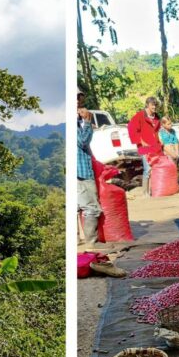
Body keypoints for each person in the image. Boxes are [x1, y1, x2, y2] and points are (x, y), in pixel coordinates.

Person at [77, 97, 102, 247]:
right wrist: (87, 122)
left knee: (76, 207)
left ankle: (77, 243)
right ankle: (91, 243)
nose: (80, 103)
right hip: (81, 170)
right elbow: (83, 141)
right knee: (92, 208)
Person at [127, 97, 162, 196]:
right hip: (145, 147)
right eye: (152, 105)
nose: (154, 107)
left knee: (155, 168)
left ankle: (154, 189)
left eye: (155, 105)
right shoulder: (140, 115)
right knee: (147, 169)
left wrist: (160, 141)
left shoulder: (156, 117)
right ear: (147, 105)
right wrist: (140, 141)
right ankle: (145, 192)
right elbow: (131, 127)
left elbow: (157, 131)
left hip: (155, 146)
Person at [158, 116, 179, 187]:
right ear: (163, 125)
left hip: (175, 149)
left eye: (171, 123)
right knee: (173, 167)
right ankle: (174, 184)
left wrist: (176, 152)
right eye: (168, 124)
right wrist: (172, 154)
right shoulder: (160, 132)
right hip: (167, 150)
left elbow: (175, 142)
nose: (170, 125)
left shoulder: (173, 131)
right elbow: (163, 146)